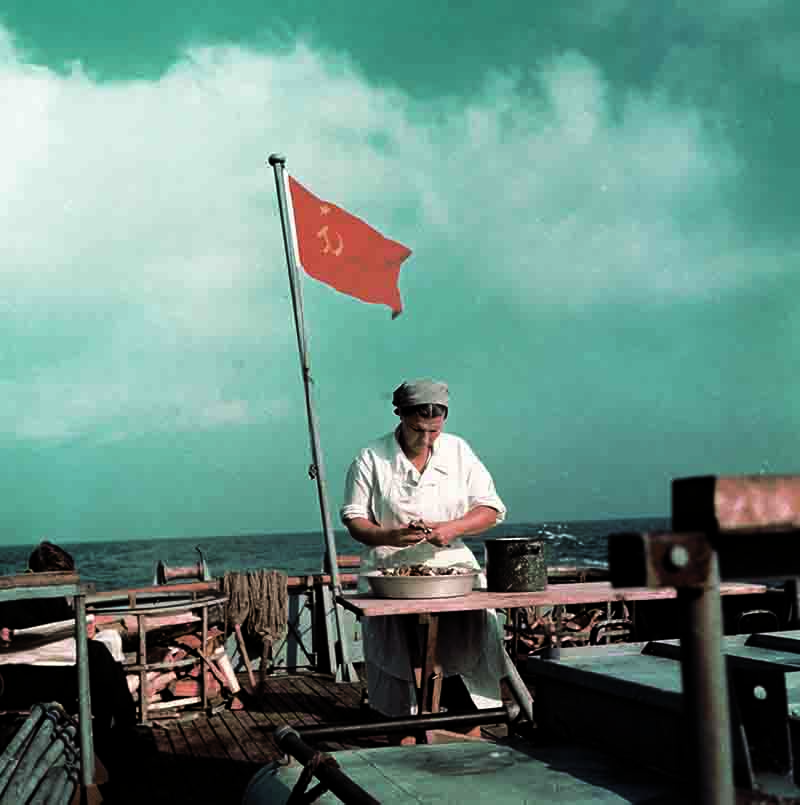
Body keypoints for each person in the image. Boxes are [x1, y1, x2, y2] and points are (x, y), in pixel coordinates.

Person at [340, 378, 512, 717]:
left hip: (452, 570)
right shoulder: (371, 457)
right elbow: (355, 519)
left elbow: (491, 509)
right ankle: (406, 726)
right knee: (401, 662)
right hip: (389, 572)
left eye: (434, 430)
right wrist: (389, 535)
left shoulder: (459, 451)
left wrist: (453, 528)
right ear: (399, 415)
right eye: (418, 429)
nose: (427, 438)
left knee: (470, 647)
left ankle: (469, 721)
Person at [0, 541, 136, 768]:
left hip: (16, 685)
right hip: (57, 683)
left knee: (98, 656)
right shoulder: (53, 601)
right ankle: (120, 729)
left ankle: (115, 731)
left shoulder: (5, 601)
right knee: (100, 655)